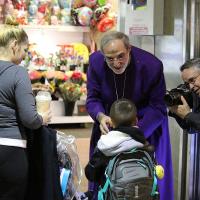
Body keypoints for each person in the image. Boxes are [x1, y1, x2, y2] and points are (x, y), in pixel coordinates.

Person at [86, 31, 174, 200]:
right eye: (109, 58)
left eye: (121, 56)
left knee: (149, 180)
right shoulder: (95, 62)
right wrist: (100, 116)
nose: (116, 63)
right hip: (110, 126)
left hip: (146, 126)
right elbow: (92, 99)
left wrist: (134, 132)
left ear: (129, 49)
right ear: (102, 54)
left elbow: (158, 107)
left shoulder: (152, 65)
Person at [0, 16, 51, 200]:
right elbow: (30, 118)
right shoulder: (18, 72)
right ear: (14, 44)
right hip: (10, 150)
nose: (24, 56)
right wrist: (42, 119)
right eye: (24, 50)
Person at [85, 98, 152, 187]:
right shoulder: (144, 143)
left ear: (111, 122)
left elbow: (90, 174)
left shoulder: (105, 145)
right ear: (136, 120)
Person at [168, 58, 200, 131]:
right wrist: (177, 111)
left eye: (192, 80)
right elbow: (192, 129)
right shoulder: (196, 95)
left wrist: (188, 115)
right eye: (187, 84)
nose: (191, 87)